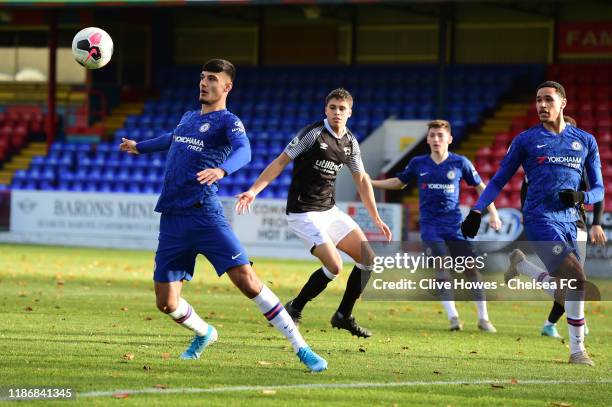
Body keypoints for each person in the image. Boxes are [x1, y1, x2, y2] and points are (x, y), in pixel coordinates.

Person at [119, 59, 327, 372]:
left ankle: (302, 347)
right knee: (166, 303)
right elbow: (171, 138)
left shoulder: (228, 121)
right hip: (173, 219)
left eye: (212, 79)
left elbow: (245, 151)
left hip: (205, 215)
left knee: (247, 281)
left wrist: (222, 169)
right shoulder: (189, 118)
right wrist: (139, 147)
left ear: (226, 86)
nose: (204, 83)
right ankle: (205, 333)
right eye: (202, 77)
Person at [461, 81, 604, 365]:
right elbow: (499, 179)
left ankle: (523, 266)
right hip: (540, 219)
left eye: (548, 100)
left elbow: (600, 188)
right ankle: (578, 351)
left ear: (563, 103)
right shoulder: (526, 140)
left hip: (572, 221)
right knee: (578, 278)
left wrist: (582, 195)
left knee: (570, 285)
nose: (541, 105)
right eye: (538, 100)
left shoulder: (585, 141)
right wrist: (477, 210)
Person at [236, 88, 392, 338]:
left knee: (369, 259)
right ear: (325, 110)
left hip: (328, 210)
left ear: (350, 112)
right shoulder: (312, 134)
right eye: (332, 108)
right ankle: (295, 308)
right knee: (335, 266)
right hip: (302, 212)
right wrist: (254, 190)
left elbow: (361, 179)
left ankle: (344, 315)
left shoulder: (350, 142)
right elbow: (280, 162)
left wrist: (375, 217)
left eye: (342, 109)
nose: (337, 113)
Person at [371, 119, 502, 332]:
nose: (435, 139)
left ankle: (483, 318)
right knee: (441, 270)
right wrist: (371, 183)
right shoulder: (418, 163)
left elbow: (481, 187)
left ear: (449, 139)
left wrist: (493, 213)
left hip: (455, 226)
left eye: (440, 135)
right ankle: (453, 318)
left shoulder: (460, 163)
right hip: (430, 227)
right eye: (432, 135)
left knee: (472, 270)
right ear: (428, 139)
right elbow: (399, 182)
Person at [511, 115, 606, 339]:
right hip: (547, 223)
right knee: (573, 277)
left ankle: (550, 319)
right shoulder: (539, 163)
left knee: (571, 278)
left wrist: (597, 223)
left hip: (577, 224)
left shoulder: (580, 159)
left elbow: (597, 191)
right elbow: (526, 192)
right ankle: (573, 326)